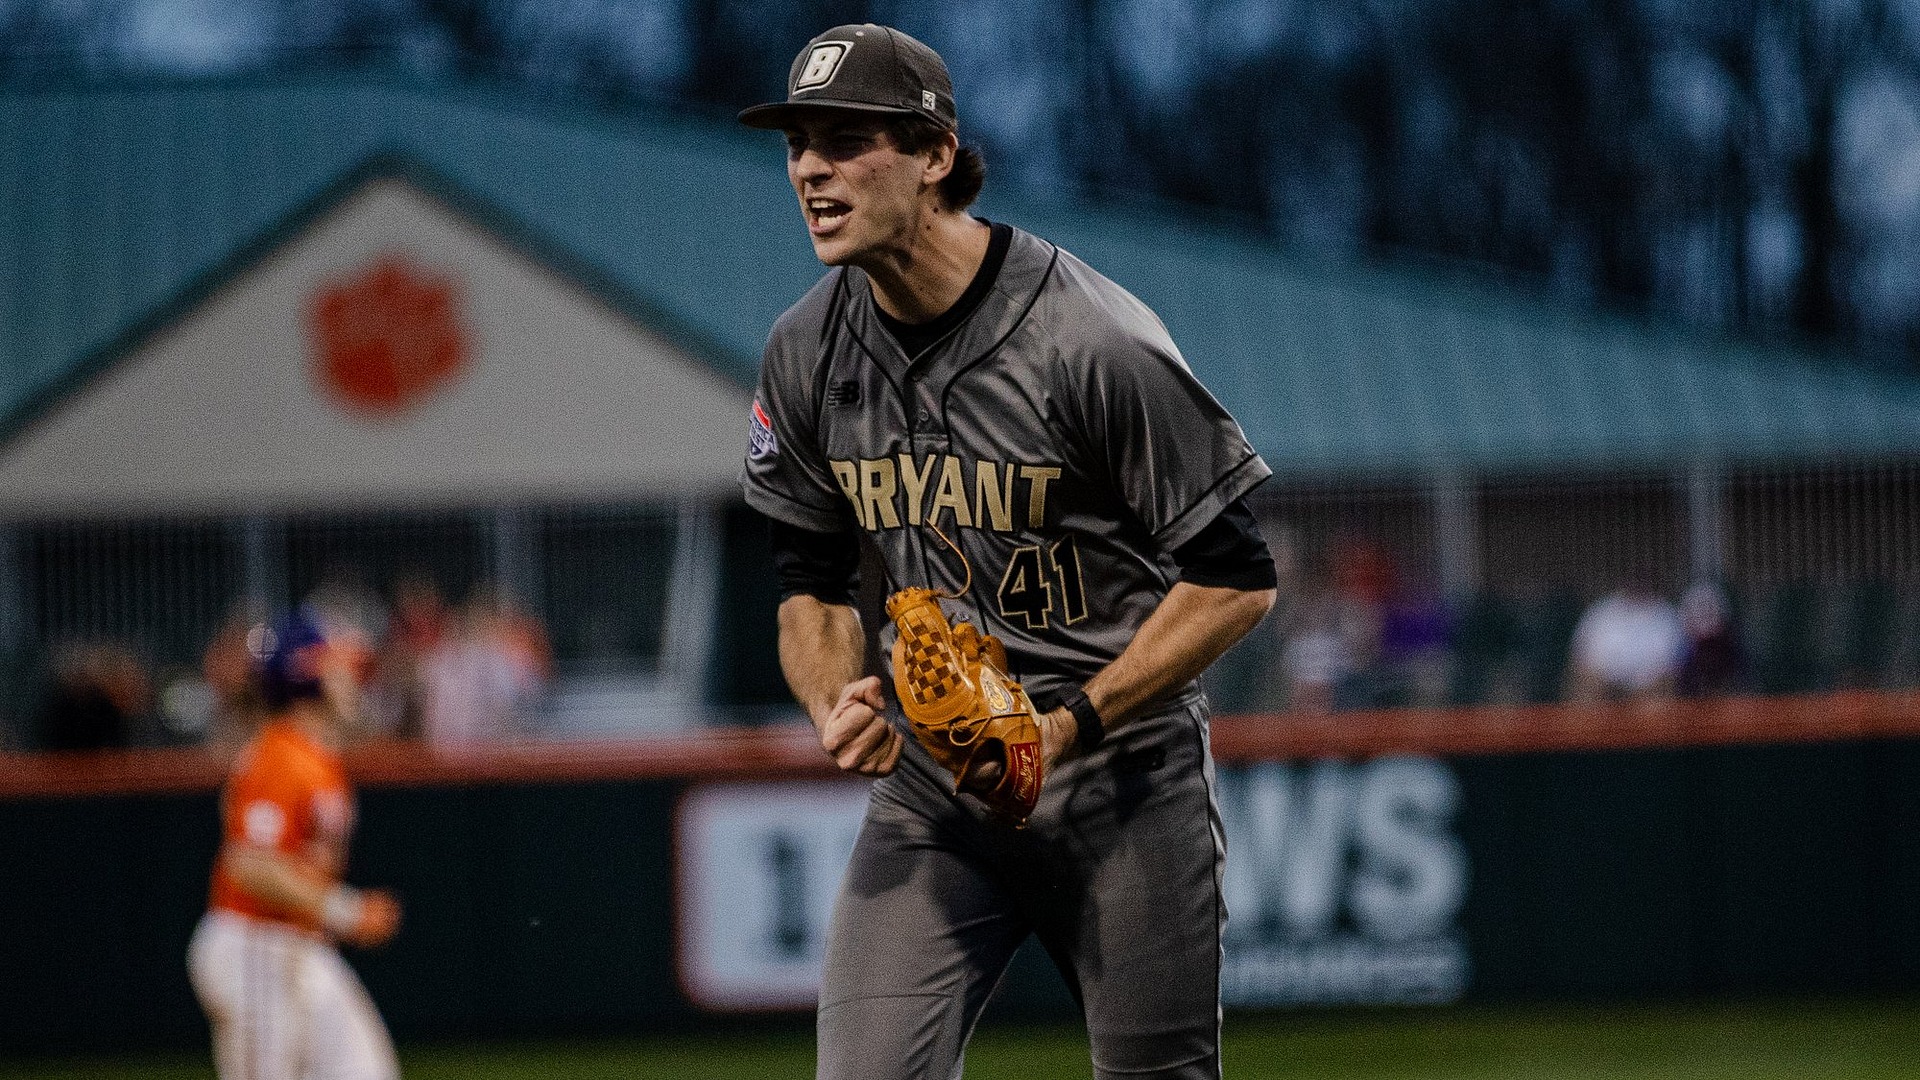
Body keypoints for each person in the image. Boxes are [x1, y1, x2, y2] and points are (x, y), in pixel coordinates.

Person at [738, 25, 1277, 1079]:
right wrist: (829, 697)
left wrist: (1064, 727)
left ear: (936, 155)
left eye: (848, 140)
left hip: (1122, 780)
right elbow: (807, 583)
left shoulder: (1088, 341)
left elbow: (1237, 579)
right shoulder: (805, 349)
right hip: (938, 790)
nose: (811, 168)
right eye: (800, 144)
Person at [186, 608, 403, 1080]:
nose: (349, 679)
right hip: (255, 946)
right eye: (337, 668)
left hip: (300, 947)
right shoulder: (281, 758)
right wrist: (344, 910)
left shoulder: (313, 755)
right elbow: (249, 865)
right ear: (309, 676)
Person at [1564, 579, 1686, 704]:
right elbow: (1580, 662)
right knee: (1584, 692)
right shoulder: (1601, 611)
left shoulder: (1666, 616)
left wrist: (1636, 693)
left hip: (1646, 690)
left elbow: (1671, 669)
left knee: (1658, 699)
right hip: (1603, 688)